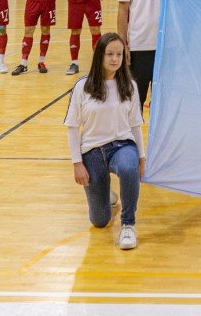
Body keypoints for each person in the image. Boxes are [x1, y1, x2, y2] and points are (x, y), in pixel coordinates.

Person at [65, 32, 145, 251]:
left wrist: (141, 157)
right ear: (100, 55)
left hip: (122, 146)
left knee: (129, 170)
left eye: (119, 54)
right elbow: (72, 127)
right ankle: (106, 194)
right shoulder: (83, 86)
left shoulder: (129, 85)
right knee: (99, 221)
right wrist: (77, 163)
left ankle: (128, 225)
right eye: (110, 54)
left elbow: (136, 125)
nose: (114, 59)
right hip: (92, 152)